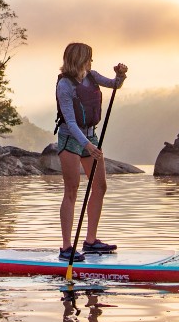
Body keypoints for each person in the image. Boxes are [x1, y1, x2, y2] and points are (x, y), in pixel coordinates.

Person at [54, 43, 127, 261]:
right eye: (88, 58)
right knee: (72, 190)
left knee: (100, 186)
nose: (91, 61)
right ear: (78, 59)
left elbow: (115, 85)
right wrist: (87, 145)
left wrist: (121, 74)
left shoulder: (92, 76)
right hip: (70, 137)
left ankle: (91, 241)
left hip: (91, 136)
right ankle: (67, 247)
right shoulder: (65, 85)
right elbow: (70, 120)